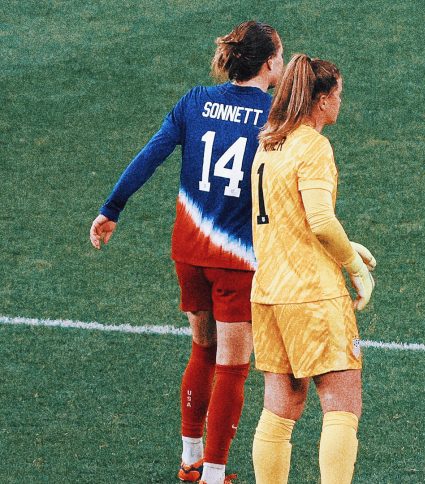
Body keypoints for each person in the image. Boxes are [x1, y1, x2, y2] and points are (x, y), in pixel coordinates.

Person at [88, 21, 284, 484]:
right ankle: (215, 475)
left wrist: (111, 207)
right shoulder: (275, 116)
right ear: (269, 63)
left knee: (202, 350)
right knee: (233, 369)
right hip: (237, 260)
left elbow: (150, 154)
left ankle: (191, 460)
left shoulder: (195, 101)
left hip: (189, 252)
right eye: (280, 54)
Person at [248, 53, 375, 484]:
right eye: (338, 94)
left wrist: (344, 241)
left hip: (268, 292)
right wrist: (352, 264)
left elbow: (291, 219)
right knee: (342, 405)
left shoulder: (268, 144)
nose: (341, 102)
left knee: (279, 408)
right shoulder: (314, 146)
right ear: (321, 100)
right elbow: (320, 220)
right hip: (312, 294)